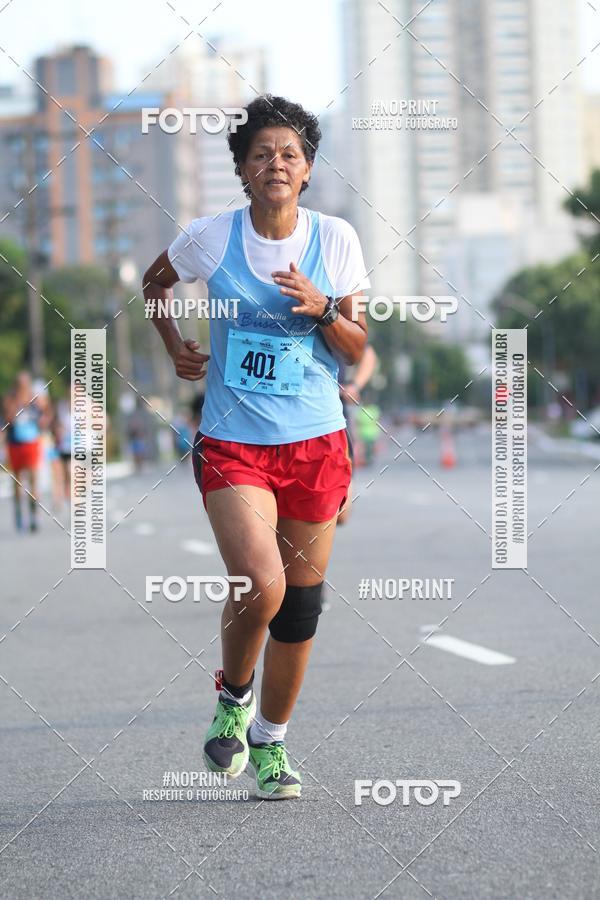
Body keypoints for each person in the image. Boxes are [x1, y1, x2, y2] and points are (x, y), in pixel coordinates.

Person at [143, 94, 370, 799]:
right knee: (259, 583)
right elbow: (154, 284)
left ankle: (272, 743)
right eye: (262, 154)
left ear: (308, 170)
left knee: (300, 605)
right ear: (242, 169)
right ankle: (234, 696)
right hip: (233, 443)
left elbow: (357, 346)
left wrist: (323, 308)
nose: (277, 164)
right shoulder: (212, 237)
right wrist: (174, 342)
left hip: (316, 442)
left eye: (290, 154)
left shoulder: (336, 240)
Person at [337, 345, 378, 525]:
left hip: (333, 421)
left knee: (341, 512)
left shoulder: (331, 327)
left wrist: (355, 385)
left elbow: (368, 352)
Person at [3, 371, 49, 532]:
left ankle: (34, 514)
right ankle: (18, 513)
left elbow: (45, 417)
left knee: (34, 479)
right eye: (20, 384)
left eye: (25, 384)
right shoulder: (10, 399)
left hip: (32, 443)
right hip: (15, 444)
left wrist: (40, 413)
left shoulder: (34, 399)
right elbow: (8, 418)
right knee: (17, 480)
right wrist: (18, 405)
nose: (23, 387)